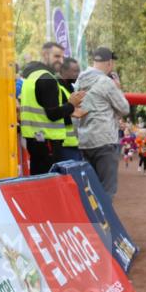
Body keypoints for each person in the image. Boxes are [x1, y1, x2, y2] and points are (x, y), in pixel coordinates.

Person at [19, 42, 86, 174]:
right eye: (56, 56)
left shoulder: (32, 76)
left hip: (35, 138)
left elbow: (42, 110)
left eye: (62, 57)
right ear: (45, 55)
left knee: (38, 179)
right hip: (47, 141)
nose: (60, 61)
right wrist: (71, 105)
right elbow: (53, 114)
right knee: (47, 182)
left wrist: (70, 111)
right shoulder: (47, 79)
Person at [77, 47, 130, 196]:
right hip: (104, 140)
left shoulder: (79, 80)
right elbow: (124, 108)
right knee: (107, 189)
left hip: (84, 140)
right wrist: (118, 89)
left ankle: (92, 218)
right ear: (109, 63)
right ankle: (105, 219)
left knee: (90, 188)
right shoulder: (106, 82)